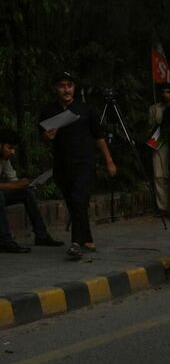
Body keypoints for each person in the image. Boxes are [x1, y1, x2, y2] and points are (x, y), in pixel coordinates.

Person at [38, 71, 118, 260]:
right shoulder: (49, 111)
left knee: (78, 198)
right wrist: (47, 136)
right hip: (62, 165)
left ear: (74, 87)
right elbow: (42, 135)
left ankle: (76, 243)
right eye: (62, 85)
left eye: (69, 85)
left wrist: (109, 161)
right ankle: (88, 238)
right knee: (74, 203)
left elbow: (99, 137)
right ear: (55, 88)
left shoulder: (85, 109)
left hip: (84, 163)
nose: (66, 89)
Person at [0, 128, 63, 252]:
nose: (12, 152)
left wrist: (27, 184)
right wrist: (15, 186)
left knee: (26, 193)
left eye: (14, 149)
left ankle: (41, 235)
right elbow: (13, 186)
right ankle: (4, 241)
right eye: (9, 148)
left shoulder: (4, 159)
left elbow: (14, 180)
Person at [147, 83, 170, 213]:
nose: (165, 95)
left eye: (168, 92)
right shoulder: (154, 109)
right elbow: (151, 126)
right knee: (159, 175)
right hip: (159, 142)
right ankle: (163, 207)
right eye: (163, 92)